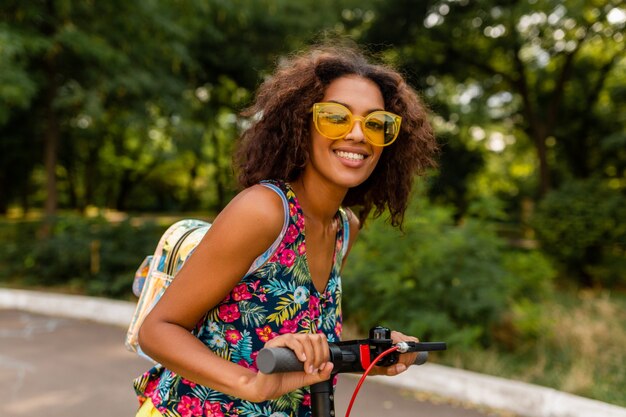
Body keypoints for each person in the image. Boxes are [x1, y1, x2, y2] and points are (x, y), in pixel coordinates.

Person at [134, 43, 438, 417]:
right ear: (301, 124)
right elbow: (158, 330)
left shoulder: (344, 228)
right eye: (336, 117)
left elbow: (292, 344)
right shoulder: (263, 211)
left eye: (376, 124)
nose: (359, 135)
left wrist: (372, 354)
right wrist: (251, 384)